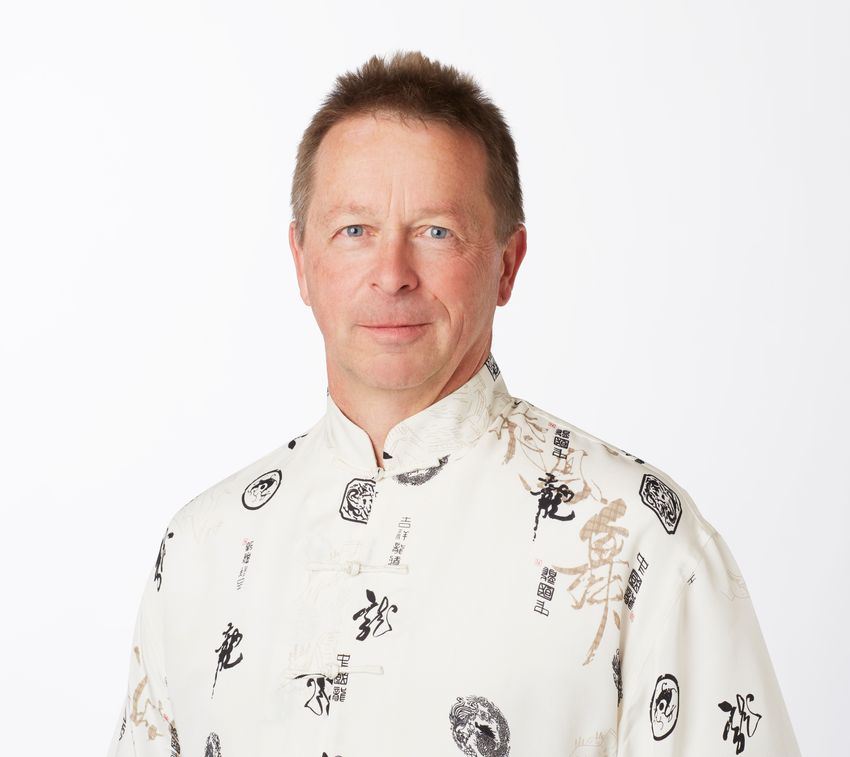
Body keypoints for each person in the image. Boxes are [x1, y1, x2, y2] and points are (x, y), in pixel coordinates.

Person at [108, 50, 800, 757]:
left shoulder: (637, 541)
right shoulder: (203, 548)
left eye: (437, 231)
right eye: (355, 231)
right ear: (301, 261)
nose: (392, 274)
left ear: (507, 263)